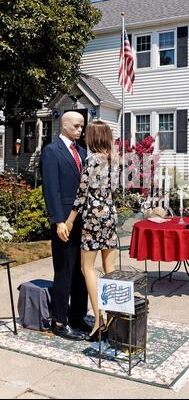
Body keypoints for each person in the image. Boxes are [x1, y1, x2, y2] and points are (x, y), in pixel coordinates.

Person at [65, 120, 119, 342]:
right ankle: (114, 318)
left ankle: (98, 320)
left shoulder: (91, 160)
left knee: (87, 268)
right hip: (110, 214)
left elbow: (81, 195)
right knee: (111, 269)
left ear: (93, 138)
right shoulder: (114, 160)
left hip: (93, 217)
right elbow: (113, 190)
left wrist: (68, 221)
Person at [40, 111, 89, 341]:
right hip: (63, 221)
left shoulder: (82, 151)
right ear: (65, 125)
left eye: (82, 126)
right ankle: (60, 321)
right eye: (77, 126)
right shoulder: (51, 151)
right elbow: (51, 189)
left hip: (83, 221)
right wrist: (58, 220)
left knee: (82, 271)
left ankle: (77, 316)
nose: (81, 130)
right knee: (64, 271)